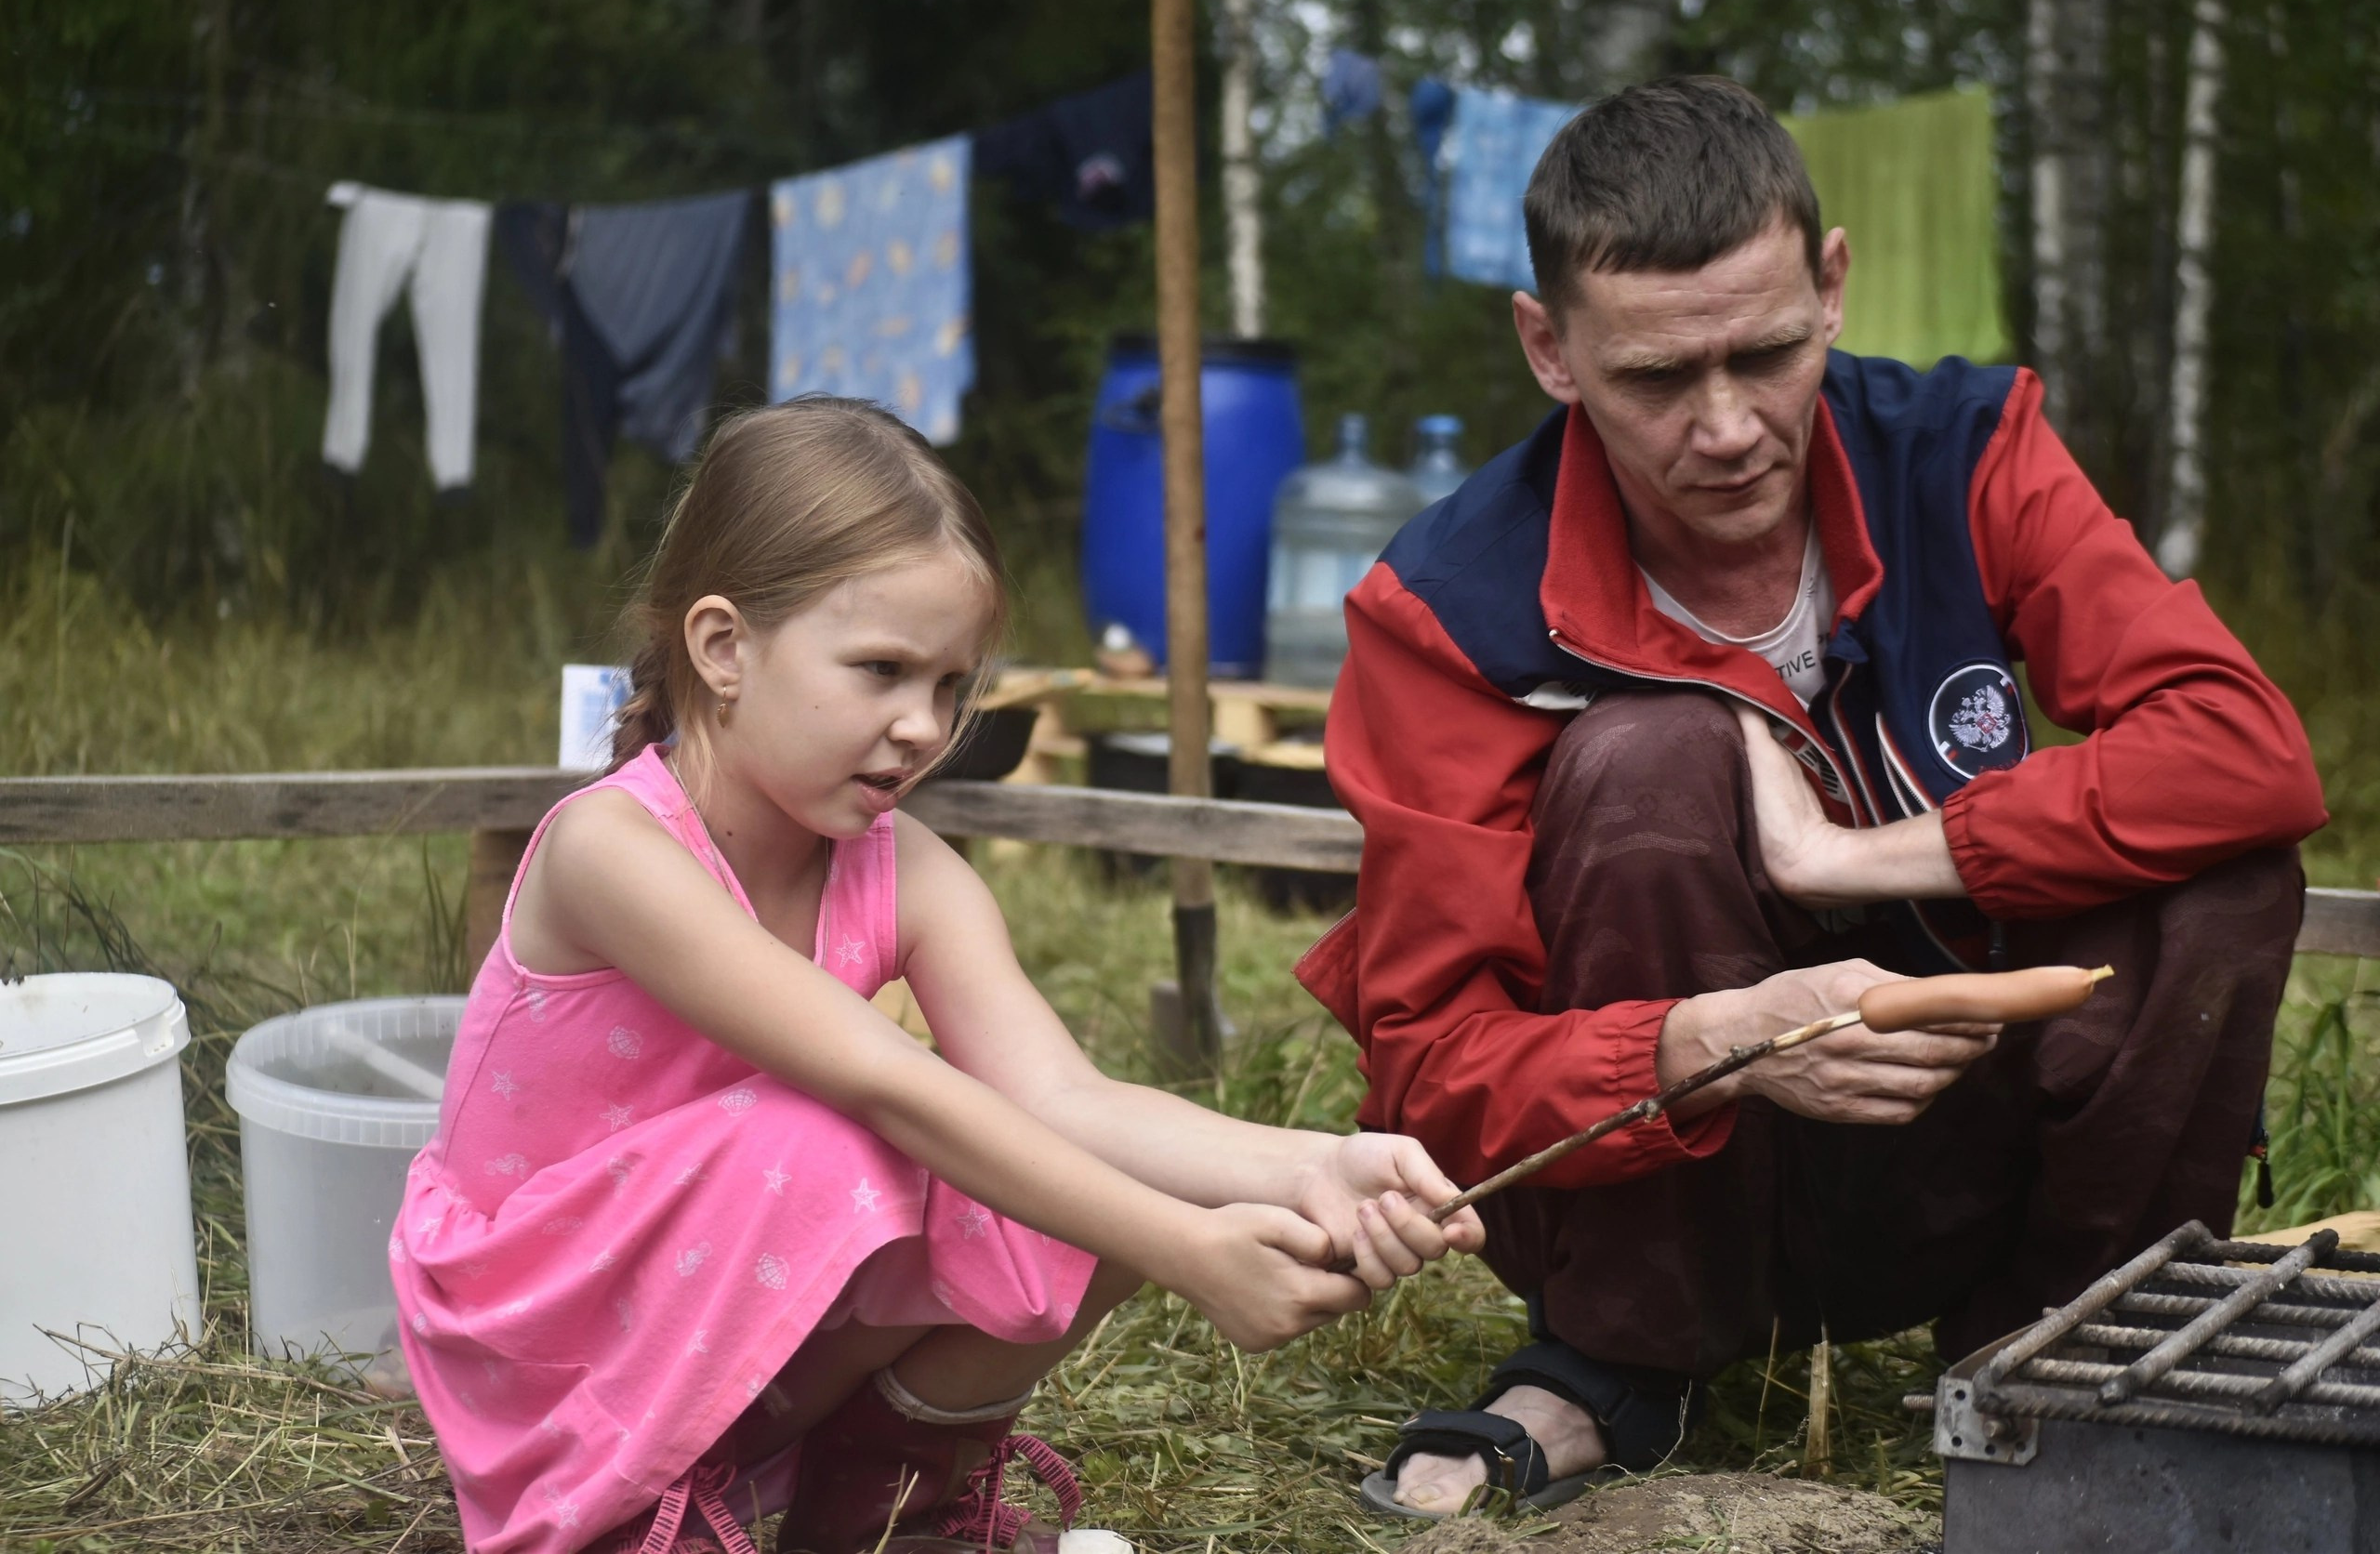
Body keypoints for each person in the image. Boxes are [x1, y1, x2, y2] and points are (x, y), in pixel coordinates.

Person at [1297, 76, 2327, 1519]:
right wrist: (1717, 1041)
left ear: (1832, 286)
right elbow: (1431, 1068)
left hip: (1964, 1136)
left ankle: (2059, 1355)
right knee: (1647, 758)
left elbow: (2246, 747)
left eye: (1769, 353)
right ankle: (1620, 1361)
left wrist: (1858, 856)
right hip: (1658, 1173)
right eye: (1659, 377)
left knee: (2223, 872)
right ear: (1550, 348)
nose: (1727, 427)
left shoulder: (1962, 451)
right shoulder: (1449, 606)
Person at [389, 397, 1486, 1554]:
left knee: (1083, 1174)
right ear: (722, 649)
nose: (922, 726)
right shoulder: (611, 849)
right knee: (847, 1139)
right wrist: (1188, 1252)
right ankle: (643, 1511)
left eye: (950, 686)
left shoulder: (901, 864)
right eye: (881, 670)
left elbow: (1064, 1100)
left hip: (701, 1287)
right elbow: (885, 1085)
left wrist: (1312, 1166)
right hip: (537, 1334)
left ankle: (886, 1510)